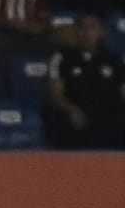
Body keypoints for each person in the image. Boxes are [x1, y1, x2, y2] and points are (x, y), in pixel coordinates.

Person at [47, 14, 125, 151]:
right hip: (77, 114)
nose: (87, 33)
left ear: (101, 32)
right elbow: (56, 95)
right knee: (65, 123)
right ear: (75, 31)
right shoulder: (62, 58)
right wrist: (71, 110)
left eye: (92, 28)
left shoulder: (114, 59)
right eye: (82, 28)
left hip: (108, 116)